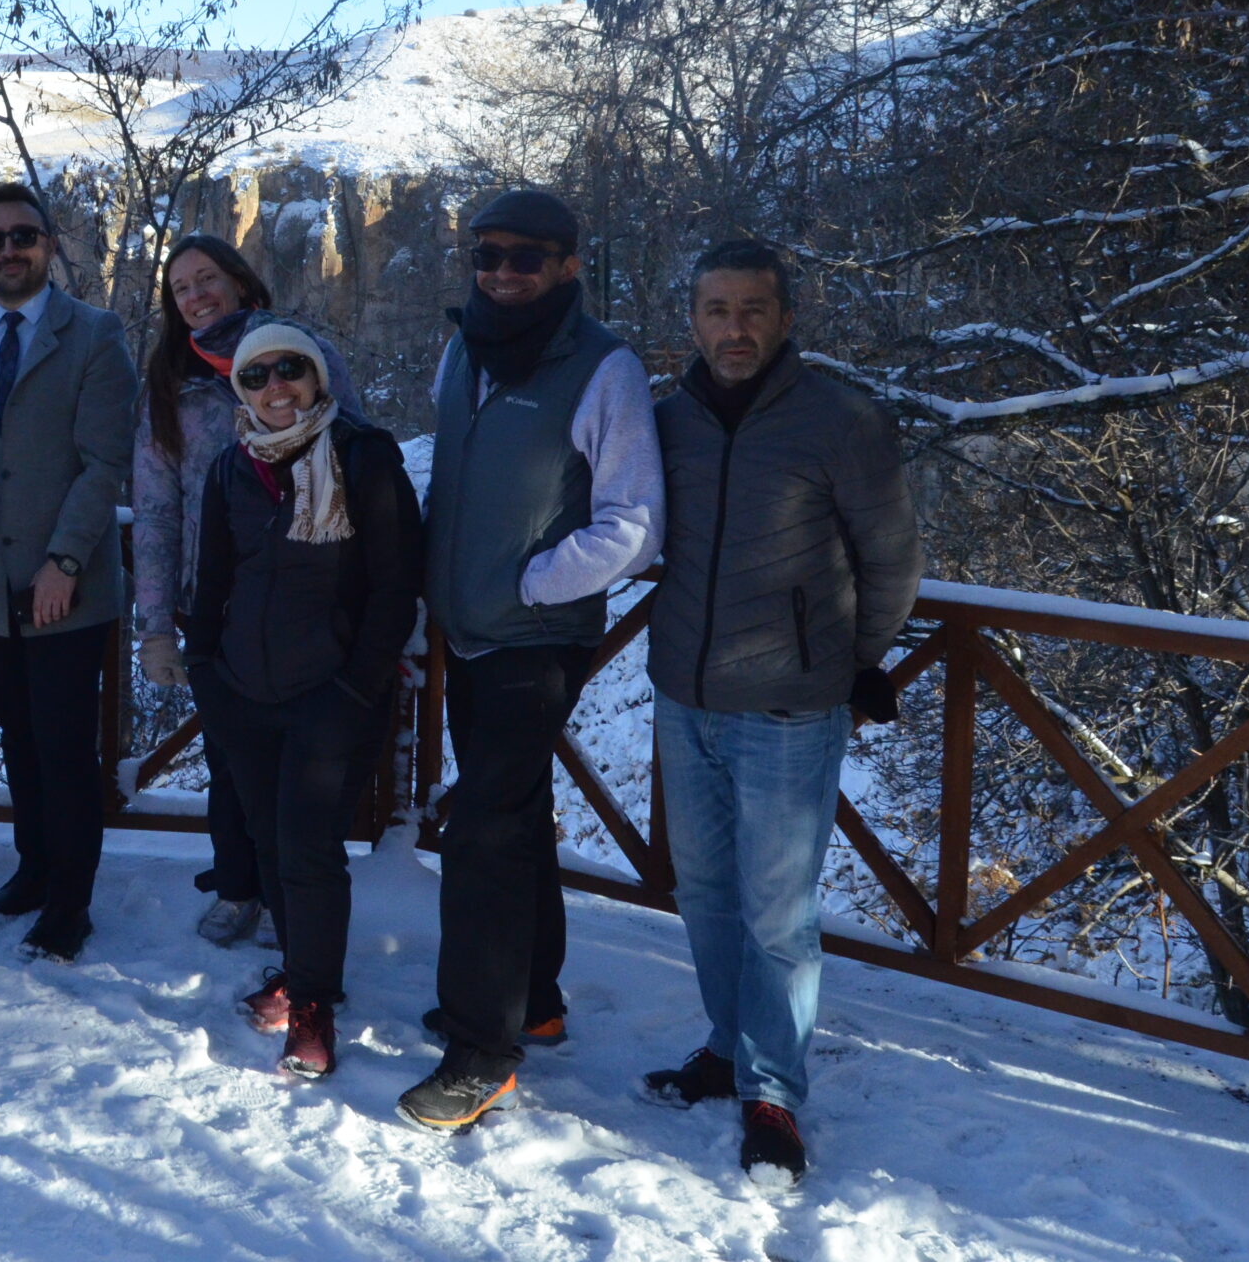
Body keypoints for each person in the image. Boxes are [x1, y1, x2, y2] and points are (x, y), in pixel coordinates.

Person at [640, 241, 921, 1184]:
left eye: (753, 309)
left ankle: (773, 1092)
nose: (735, 328)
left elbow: (890, 561)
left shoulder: (840, 419)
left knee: (777, 916)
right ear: (693, 321)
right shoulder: (666, 422)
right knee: (705, 893)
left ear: (786, 318)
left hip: (791, 712)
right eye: (716, 310)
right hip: (685, 697)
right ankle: (727, 1047)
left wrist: (853, 661)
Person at [397, 187, 663, 1133]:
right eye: (489, 255)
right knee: (513, 816)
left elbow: (634, 525)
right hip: (466, 633)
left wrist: (535, 584)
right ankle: (534, 1000)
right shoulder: (463, 347)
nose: (503, 272)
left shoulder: (603, 370)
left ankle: (481, 1047)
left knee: (482, 829)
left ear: (568, 266)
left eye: (526, 258)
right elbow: (454, 482)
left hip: (536, 638)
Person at [186, 325, 422, 1081]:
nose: (274, 388)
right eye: (255, 376)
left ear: (318, 380)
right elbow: (213, 581)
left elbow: (396, 584)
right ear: (240, 391)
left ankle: (315, 1003)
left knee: (310, 851)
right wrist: (206, 675)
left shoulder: (364, 455)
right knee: (268, 843)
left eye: (290, 370)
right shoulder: (233, 468)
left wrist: (356, 687)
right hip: (244, 695)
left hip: (330, 694)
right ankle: (300, 969)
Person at [0, 183, 137, 964]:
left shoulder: (96, 334)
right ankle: (33, 868)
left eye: (23, 236)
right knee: (18, 737)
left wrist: (65, 560)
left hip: (65, 589)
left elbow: (104, 463)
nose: (8, 250)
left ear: (47, 245)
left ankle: (70, 902)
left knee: (68, 746)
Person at [132, 232, 361, 948]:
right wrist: (156, 623)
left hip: (310, 598)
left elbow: (358, 450)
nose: (195, 296)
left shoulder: (298, 355)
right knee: (230, 759)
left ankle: (294, 897)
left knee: (300, 763)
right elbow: (156, 503)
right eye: (180, 289)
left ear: (241, 283)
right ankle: (240, 886)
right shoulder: (174, 382)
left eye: (206, 279)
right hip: (214, 605)